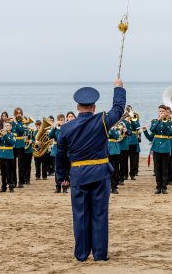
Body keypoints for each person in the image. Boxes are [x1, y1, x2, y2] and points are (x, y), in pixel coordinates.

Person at [56, 78, 125, 262]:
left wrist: (61, 177)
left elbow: (60, 155)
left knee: (80, 215)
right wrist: (118, 88)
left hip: (78, 175)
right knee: (99, 214)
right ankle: (100, 255)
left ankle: (81, 254)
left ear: (78, 107)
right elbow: (118, 109)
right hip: (100, 174)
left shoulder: (66, 128)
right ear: (94, 107)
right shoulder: (101, 121)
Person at [150, 105, 172, 194]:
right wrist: (158, 121)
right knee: (157, 168)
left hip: (165, 146)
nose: (161, 113)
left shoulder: (169, 122)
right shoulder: (154, 121)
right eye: (159, 111)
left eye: (162, 111)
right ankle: (158, 186)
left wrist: (164, 122)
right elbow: (152, 129)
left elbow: (170, 132)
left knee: (165, 167)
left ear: (165, 112)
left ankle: (164, 187)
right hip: (156, 146)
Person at [0, 122, 16, 192]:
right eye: (5, 126)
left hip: (9, 155)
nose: (6, 127)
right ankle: (3, 186)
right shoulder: (2, 134)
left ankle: (11, 186)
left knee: (9, 172)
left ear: (11, 127)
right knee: (3, 172)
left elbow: (12, 142)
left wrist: (6, 135)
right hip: (1, 155)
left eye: (8, 126)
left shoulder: (12, 134)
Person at [49, 114, 65, 193]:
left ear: (64, 120)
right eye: (59, 120)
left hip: (64, 151)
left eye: (62, 120)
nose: (61, 121)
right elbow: (50, 136)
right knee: (57, 169)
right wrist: (54, 127)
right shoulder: (56, 128)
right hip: (56, 150)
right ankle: (58, 186)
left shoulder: (66, 128)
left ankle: (65, 187)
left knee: (65, 169)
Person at [108, 124, 121, 194]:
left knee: (114, 169)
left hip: (114, 150)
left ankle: (114, 186)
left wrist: (112, 129)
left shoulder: (115, 129)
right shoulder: (105, 128)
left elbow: (117, 136)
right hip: (106, 149)